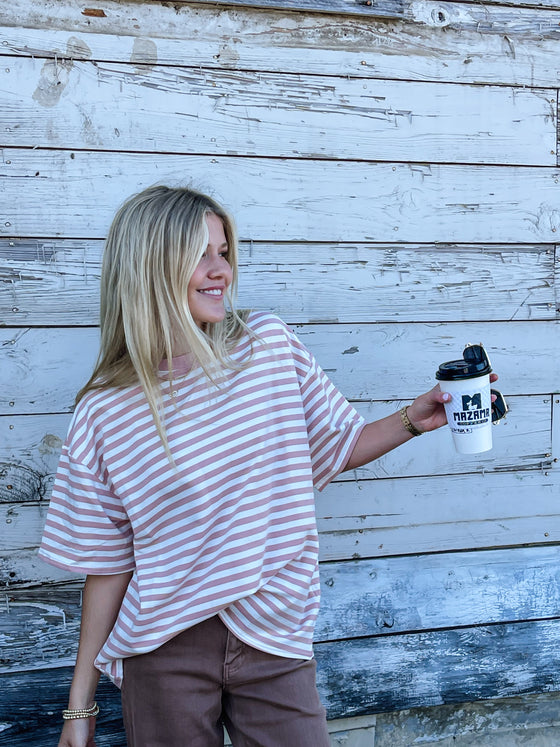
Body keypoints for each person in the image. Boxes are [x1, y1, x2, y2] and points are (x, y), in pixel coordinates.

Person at [39, 185, 498, 747]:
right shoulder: (106, 410)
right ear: (151, 267)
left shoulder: (268, 348)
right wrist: (78, 711)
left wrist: (414, 418)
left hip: (273, 630)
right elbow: (106, 565)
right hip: (165, 646)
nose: (220, 271)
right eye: (199, 255)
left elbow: (335, 446)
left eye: (224, 252)